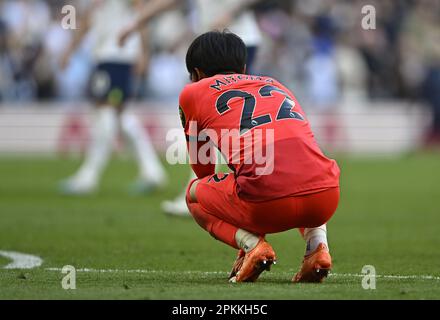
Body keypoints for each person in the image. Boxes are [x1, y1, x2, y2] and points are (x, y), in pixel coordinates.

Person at [179, 31, 340, 283]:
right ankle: (317, 247)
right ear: (243, 67)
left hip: (267, 203)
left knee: (194, 193)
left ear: (196, 74)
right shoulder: (275, 83)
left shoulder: (193, 92)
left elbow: (204, 169)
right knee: (301, 171)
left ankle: (253, 245)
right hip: (325, 197)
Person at [59, 0, 167, 195]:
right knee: (119, 117)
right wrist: (70, 50)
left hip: (118, 55)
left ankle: (88, 176)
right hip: (106, 57)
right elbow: (88, 22)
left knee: (106, 114)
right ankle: (152, 171)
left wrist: (144, 52)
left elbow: (141, 13)